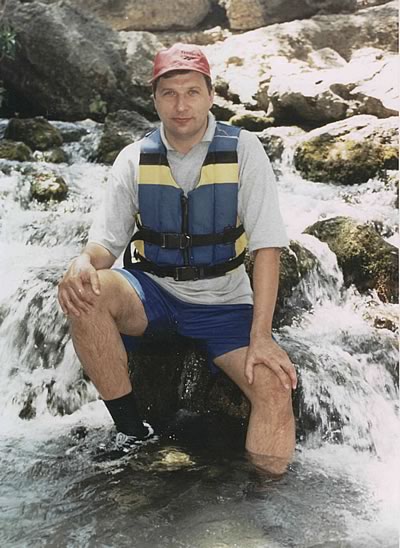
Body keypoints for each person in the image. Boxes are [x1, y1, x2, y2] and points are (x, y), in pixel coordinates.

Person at [58, 43, 297, 472]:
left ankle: (267, 495)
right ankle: (132, 433)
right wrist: (81, 262)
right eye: (169, 93)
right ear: (154, 99)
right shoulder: (133, 157)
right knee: (85, 292)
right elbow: (103, 247)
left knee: (274, 388)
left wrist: (261, 336)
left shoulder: (245, 149)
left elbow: (267, 248)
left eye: (192, 92)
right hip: (154, 294)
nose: (181, 105)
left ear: (210, 96)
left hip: (225, 304)